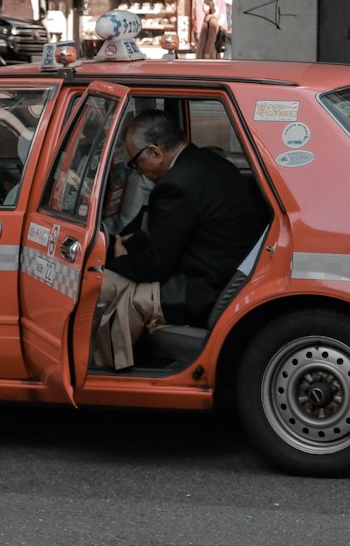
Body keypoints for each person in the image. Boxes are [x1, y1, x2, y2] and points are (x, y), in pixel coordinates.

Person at [91, 109, 266, 370]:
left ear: (155, 152)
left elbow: (156, 266)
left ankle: (106, 368)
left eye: (135, 163)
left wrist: (117, 260)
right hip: (227, 271)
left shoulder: (175, 186)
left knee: (103, 286)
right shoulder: (210, 161)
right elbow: (185, 232)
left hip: (201, 289)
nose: (137, 171)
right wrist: (139, 241)